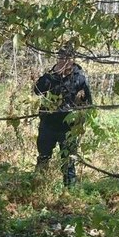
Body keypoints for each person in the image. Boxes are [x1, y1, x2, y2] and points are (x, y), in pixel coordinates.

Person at [33, 43, 93, 187]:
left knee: (68, 163)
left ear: (73, 59)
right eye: (60, 57)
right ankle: (37, 187)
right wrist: (53, 75)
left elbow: (88, 103)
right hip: (48, 124)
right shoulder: (50, 76)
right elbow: (37, 90)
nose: (63, 60)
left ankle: (69, 194)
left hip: (69, 129)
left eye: (67, 57)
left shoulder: (80, 78)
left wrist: (80, 114)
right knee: (43, 157)